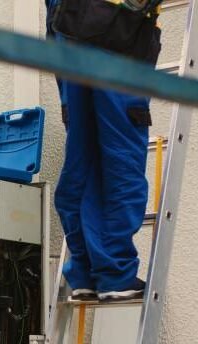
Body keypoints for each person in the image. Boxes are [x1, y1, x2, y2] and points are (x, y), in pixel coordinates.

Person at [46, 0, 162, 301]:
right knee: (121, 156)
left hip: (67, 25)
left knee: (83, 154)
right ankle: (114, 274)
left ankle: (84, 272)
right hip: (117, 27)